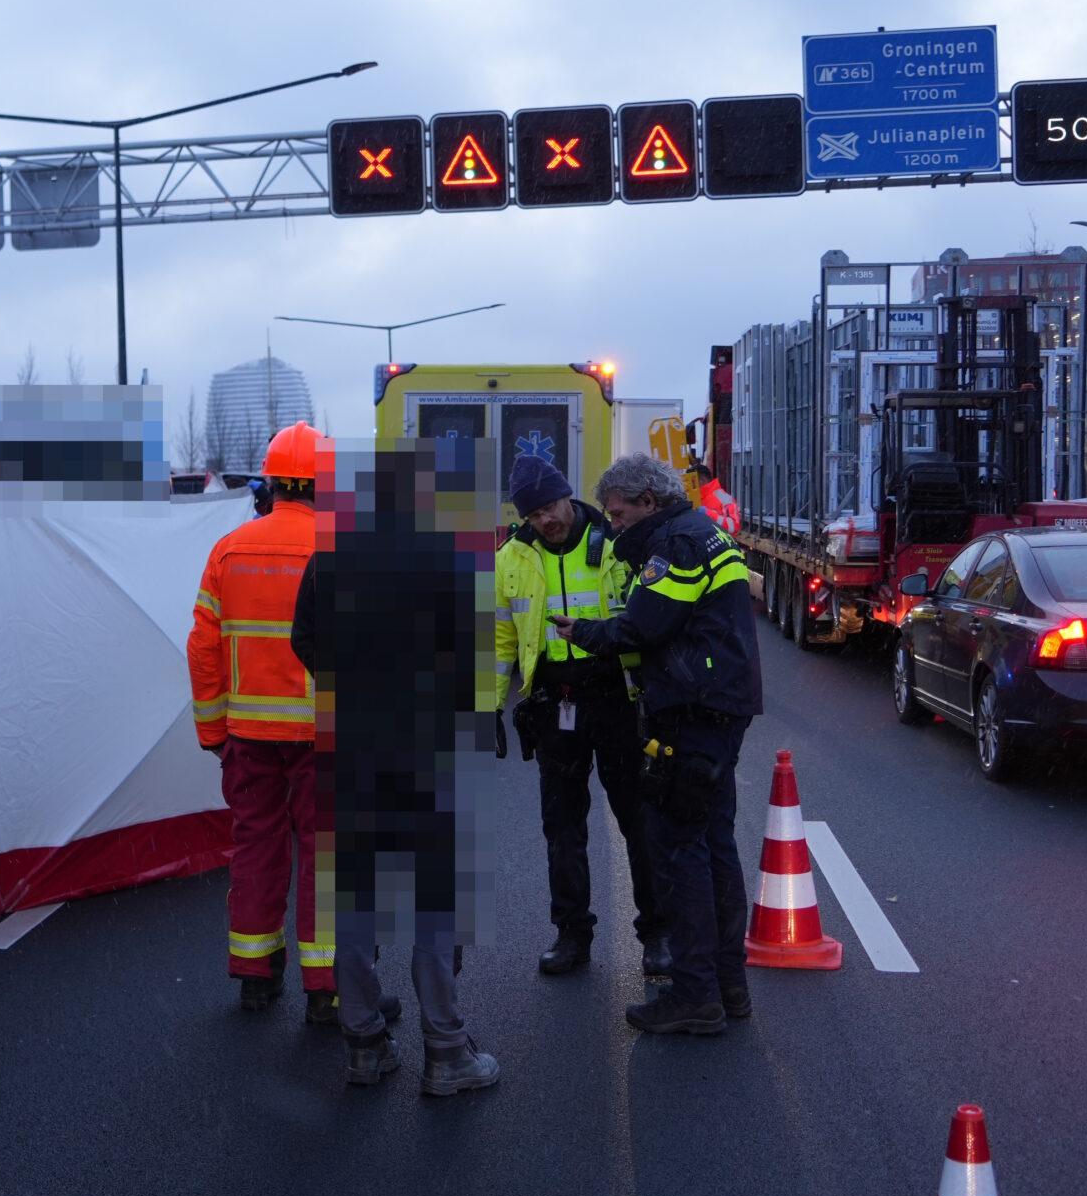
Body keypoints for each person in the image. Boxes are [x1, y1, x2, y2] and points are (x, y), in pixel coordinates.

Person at [295, 438, 501, 1096]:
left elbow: (305, 640)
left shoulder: (329, 560)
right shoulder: (445, 557)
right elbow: (470, 653)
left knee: (355, 899)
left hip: (353, 748)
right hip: (428, 750)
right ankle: (445, 1050)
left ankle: (364, 1044)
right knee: (436, 903)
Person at [554, 452, 760, 1037]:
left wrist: (584, 633)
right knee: (715, 844)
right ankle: (728, 984)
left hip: (693, 712)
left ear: (648, 500)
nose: (614, 526)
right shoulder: (705, 534)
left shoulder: (677, 545)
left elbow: (644, 626)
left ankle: (695, 993)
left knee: (682, 848)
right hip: (719, 706)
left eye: (618, 515)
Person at [496, 455, 668, 978]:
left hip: (616, 700)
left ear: (567, 496)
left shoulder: (618, 543)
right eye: (533, 514)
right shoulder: (512, 559)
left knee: (638, 822)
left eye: (550, 506)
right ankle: (572, 934)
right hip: (555, 706)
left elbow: (649, 620)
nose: (545, 520)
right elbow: (502, 637)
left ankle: (657, 935)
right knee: (562, 827)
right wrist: (487, 703)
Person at [187, 422, 337, 1018]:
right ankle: (326, 991)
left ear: (269, 483)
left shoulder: (230, 549)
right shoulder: (339, 548)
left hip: (248, 739)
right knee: (325, 856)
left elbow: (202, 648)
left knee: (255, 850)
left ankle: (255, 975)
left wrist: (212, 732)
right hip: (324, 736)